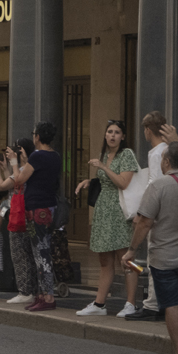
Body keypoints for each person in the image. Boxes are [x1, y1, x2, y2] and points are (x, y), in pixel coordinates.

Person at [121, 133, 178, 354]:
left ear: (167, 162)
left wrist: (131, 250)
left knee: (172, 304)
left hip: (164, 257)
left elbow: (144, 223)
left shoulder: (158, 186)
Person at [73, 119, 140, 317]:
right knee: (104, 260)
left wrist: (103, 167)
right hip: (103, 211)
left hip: (120, 211)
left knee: (126, 259)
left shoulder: (126, 154)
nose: (112, 135)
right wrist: (90, 181)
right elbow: (106, 182)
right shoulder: (105, 154)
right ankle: (99, 303)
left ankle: (131, 303)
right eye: (109, 131)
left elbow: (123, 183)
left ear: (123, 137)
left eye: (117, 132)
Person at [0, 122, 60, 311]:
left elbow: (20, 179)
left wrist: (14, 162)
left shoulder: (38, 156)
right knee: (41, 251)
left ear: (37, 137)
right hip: (49, 207)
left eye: (34, 134)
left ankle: (47, 296)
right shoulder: (55, 156)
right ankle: (42, 293)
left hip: (37, 209)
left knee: (41, 253)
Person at [126, 111, 170, 321]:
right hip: (170, 210)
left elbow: (153, 184)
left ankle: (152, 303)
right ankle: (161, 301)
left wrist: (142, 212)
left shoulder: (155, 153)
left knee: (153, 258)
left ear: (147, 130)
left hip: (156, 211)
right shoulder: (170, 149)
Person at [0, 139, 37, 305]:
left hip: (20, 217)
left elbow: (2, 186)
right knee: (29, 255)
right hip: (28, 215)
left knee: (20, 255)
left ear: (21, 153)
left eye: (12, 152)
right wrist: (6, 169)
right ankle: (32, 290)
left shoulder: (24, 169)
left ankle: (25, 291)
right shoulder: (29, 168)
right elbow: (14, 186)